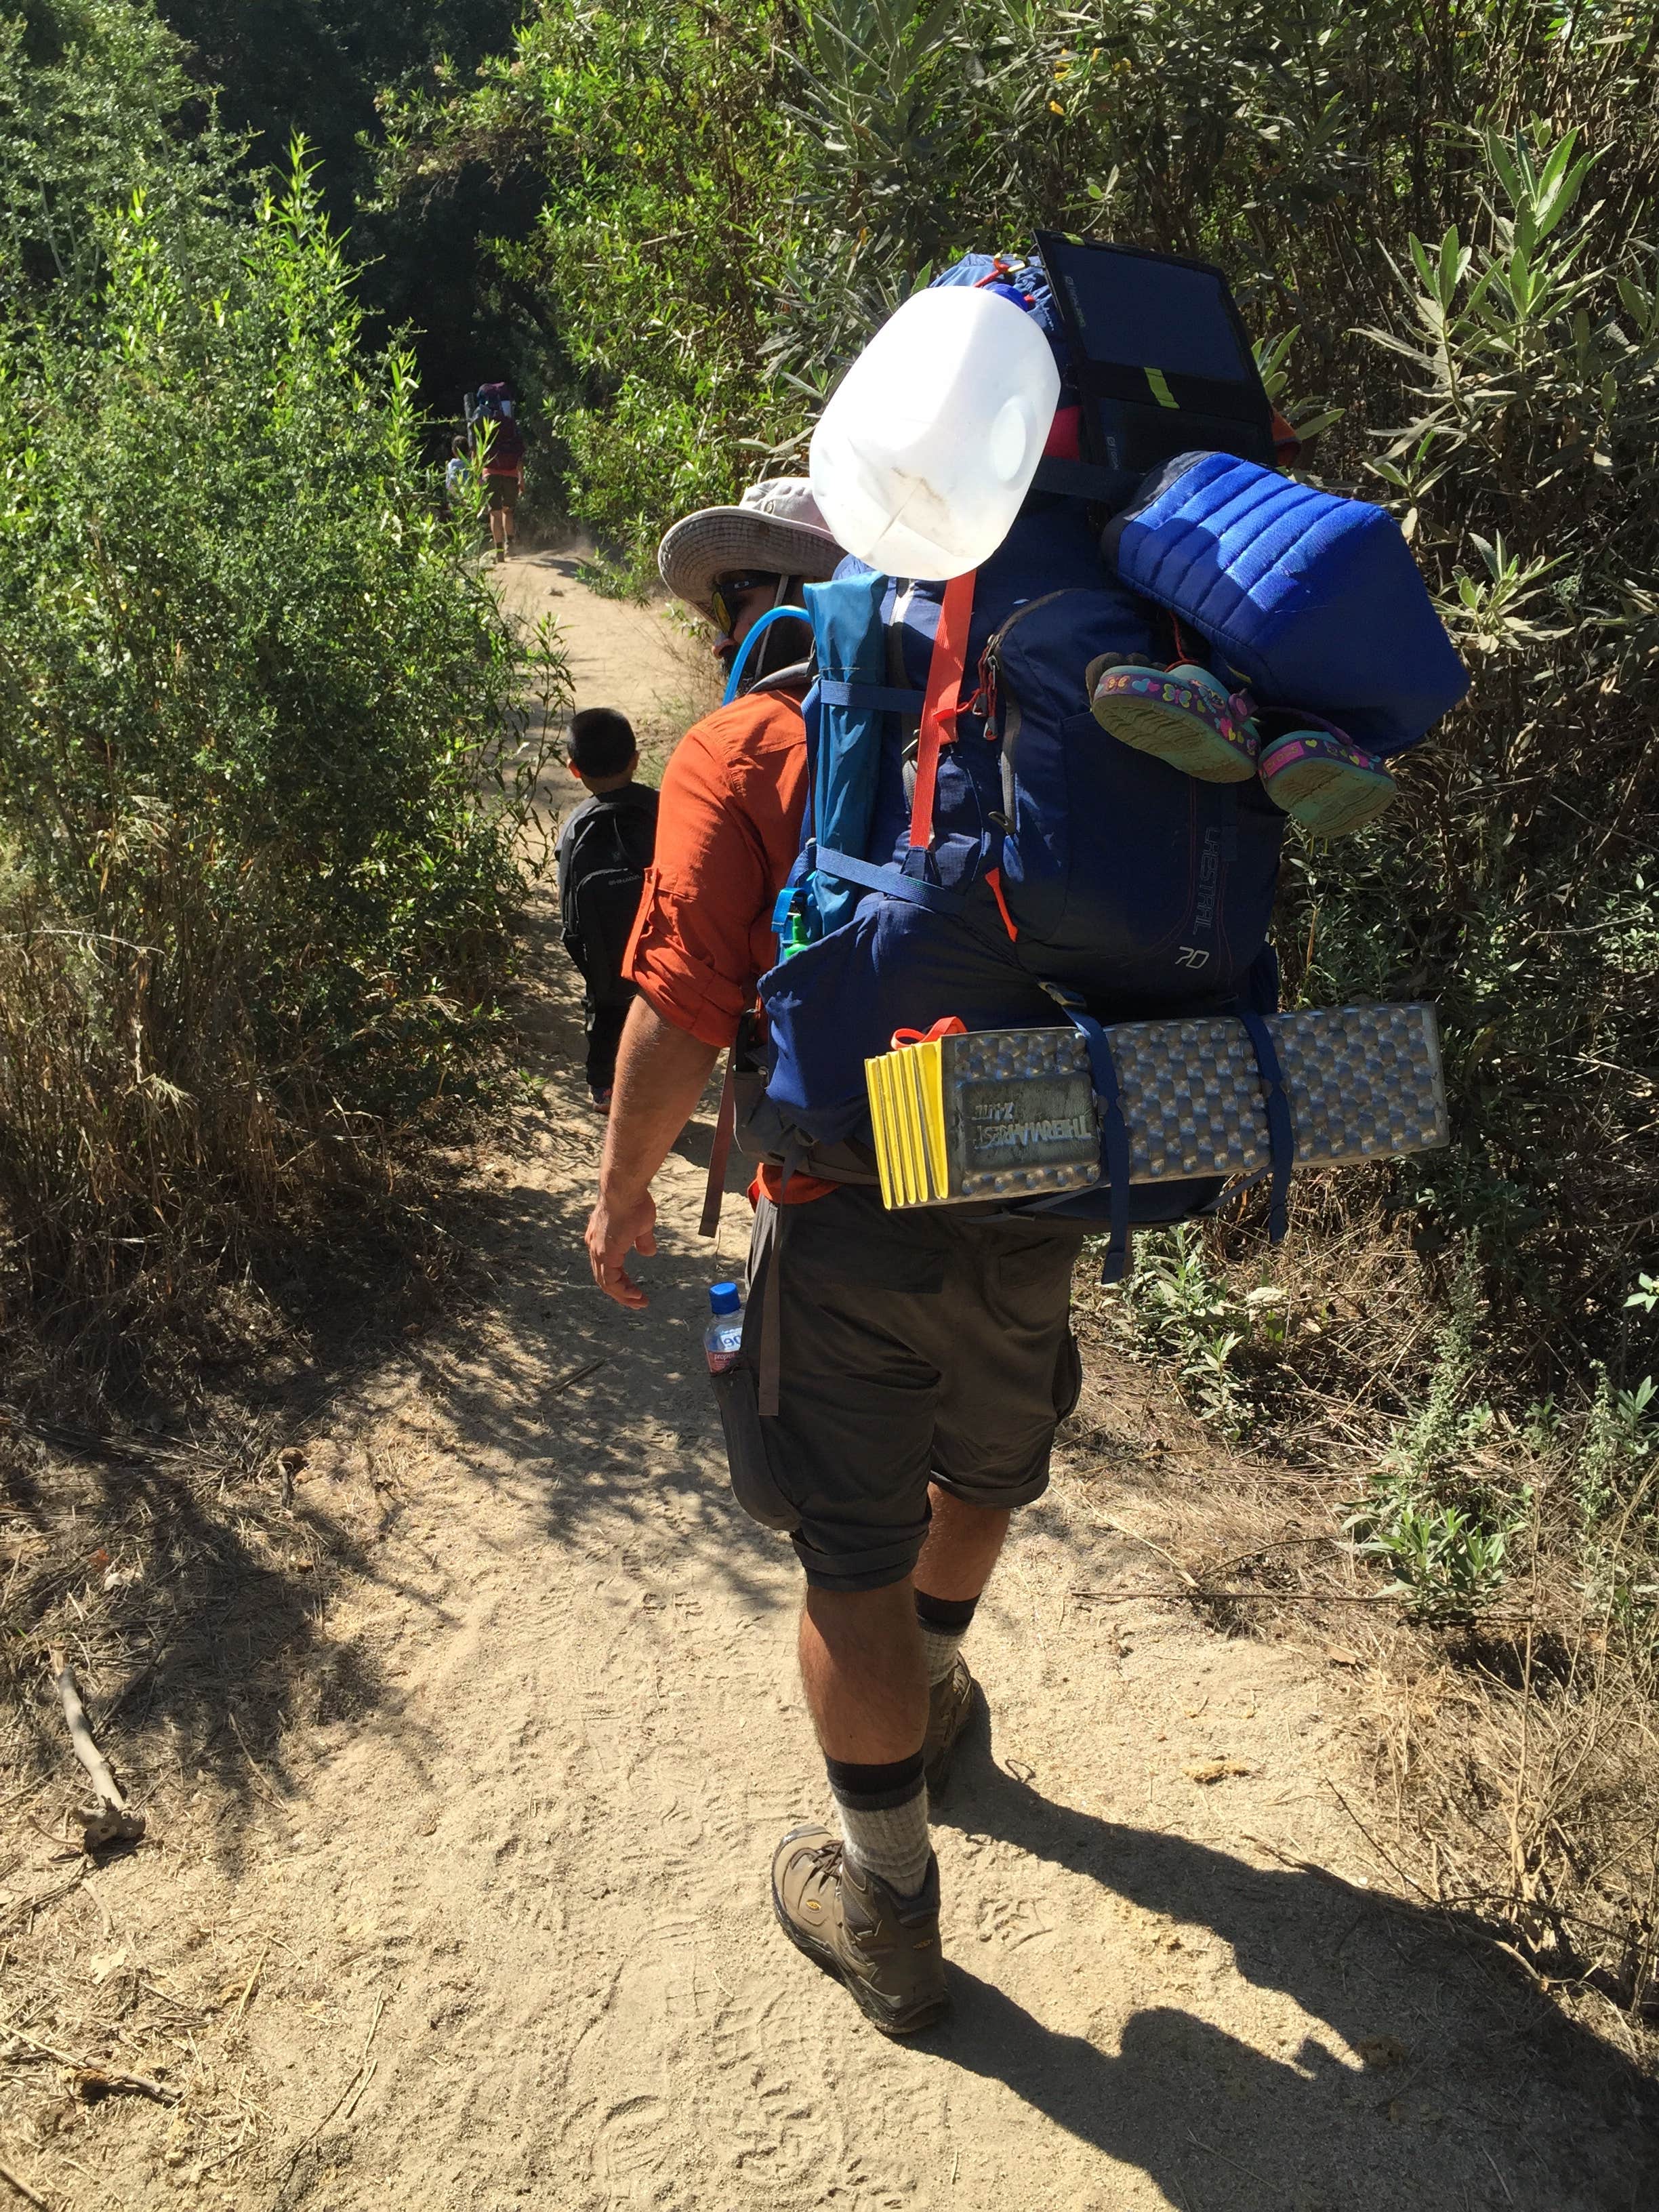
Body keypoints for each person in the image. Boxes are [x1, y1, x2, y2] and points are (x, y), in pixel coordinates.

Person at [583, 478, 1089, 2038]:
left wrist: (617, 1199)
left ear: (752, 607)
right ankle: (933, 1693)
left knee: (847, 1554)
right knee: (985, 1463)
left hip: (844, 1180)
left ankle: (886, 1910)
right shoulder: (1030, 722)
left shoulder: (739, 747)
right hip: (1030, 1156)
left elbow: (675, 1001)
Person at [556, 708, 659, 1109]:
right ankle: (654, 1088)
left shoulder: (576, 826)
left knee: (604, 1009)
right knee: (657, 1016)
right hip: (659, 949)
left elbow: (569, 904)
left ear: (574, 769)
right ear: (635, 760)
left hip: (602, 952)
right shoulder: (661, 809)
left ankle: (604, 1086)